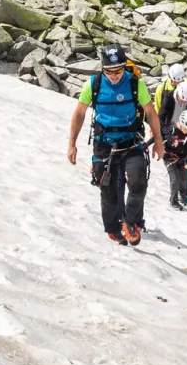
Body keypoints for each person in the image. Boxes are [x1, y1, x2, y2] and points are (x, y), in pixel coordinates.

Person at [66, 43, 163, 246]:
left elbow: (151, 112)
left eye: (119, 70)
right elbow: (79, 113)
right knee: (108, 190)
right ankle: (113, 228)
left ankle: (130, 221)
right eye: (110, 71)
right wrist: (72, 143)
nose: (115, 75)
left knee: (138, 181)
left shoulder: (136, 84)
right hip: (104, 143)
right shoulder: (93, 84)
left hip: (130, 140)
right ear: (103, 68)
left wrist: (158, 142)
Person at [163, 100, 187, 210]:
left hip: (181, 158)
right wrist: (171, 140)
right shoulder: (172, 129)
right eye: (185, 128)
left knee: (184, 179)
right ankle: (173, 200)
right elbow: (164, 137)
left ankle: (182, 195)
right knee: (174, 179)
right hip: (169, 158)